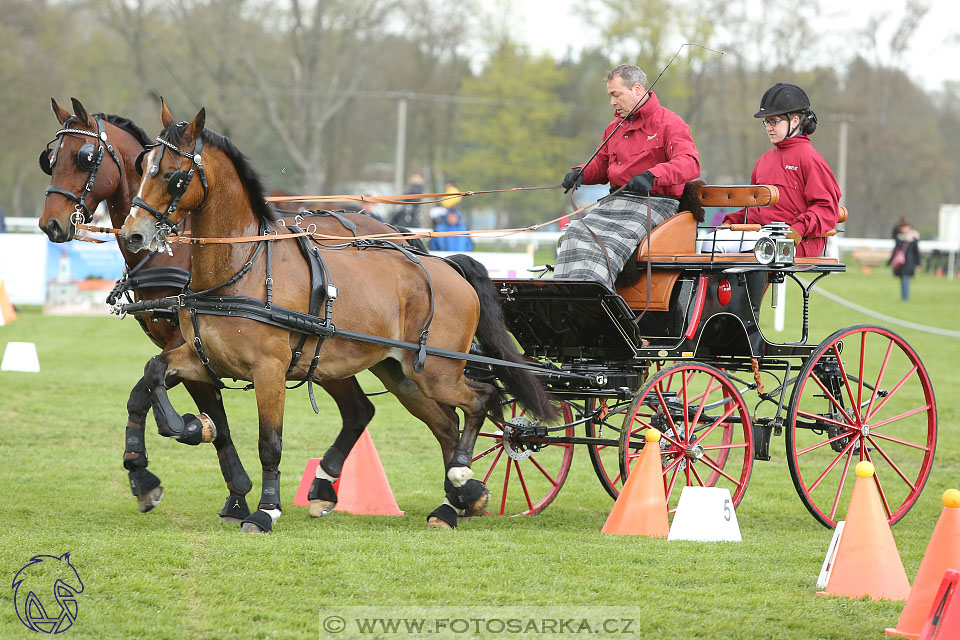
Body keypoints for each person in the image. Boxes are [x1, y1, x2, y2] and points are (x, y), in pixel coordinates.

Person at [556, 64, 700, 283]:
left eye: (616, 95)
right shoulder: (614, 127)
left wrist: (652, 176)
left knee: (608, 240)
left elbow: (690, 163)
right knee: (575, 232)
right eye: (610, 96)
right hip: (615, 203)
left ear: (637, 89)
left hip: (656, 203)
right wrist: (581, 173)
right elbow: (601, 164)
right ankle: (568, 295)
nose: (612, 102)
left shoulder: (670, 123)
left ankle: (596, 300)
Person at [719, 83, 841, 257]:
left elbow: (826, 208)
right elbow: (755, 211)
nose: (769, 127)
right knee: (711, 243)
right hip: (764, 237)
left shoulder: (810, 158)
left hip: (800, 240)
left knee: (756, 249)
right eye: (766, 122)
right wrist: (731, 222)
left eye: (774, 121)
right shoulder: (763, 160)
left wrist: (797, 230)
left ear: (795, 121)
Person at [889, 218, 920, 301]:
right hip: (901, 263)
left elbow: (916, 252)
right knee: (903, 279)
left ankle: (905, 298)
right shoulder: (899, 237)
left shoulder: (913, 239)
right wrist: (890, 260)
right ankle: (904, 297)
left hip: (909, 262)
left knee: (905, 279)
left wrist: (918, 263)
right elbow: (895, 250)